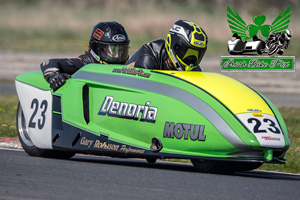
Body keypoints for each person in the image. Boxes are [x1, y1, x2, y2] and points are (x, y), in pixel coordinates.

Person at [40, 21, 130, 91]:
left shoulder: (128, 65)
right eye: (113, 51)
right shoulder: (86, 62)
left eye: (121, 50)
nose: (118, 55)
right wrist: (53, 76)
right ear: (97, 49)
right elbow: (49, 63)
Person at [126, 20, 207, 71]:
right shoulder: (150, 54)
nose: (190, 59)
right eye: (186, 52)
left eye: (196, 55)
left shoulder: (192, 68)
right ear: (174, 46)